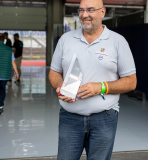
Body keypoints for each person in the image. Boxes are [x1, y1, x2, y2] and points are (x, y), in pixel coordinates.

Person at [49, 0, 137, 159]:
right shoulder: (66, 39)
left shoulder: (118, 42)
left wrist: (101, 87)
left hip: (104, 118)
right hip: (70, 118)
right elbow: (54, 72)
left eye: (90, 10)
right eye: (81, 10)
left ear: (102, 12)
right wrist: (60, 87)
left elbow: (131, 81)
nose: (84, 15)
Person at [0, 33, 19, 115]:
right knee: (2, 89)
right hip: (5, 73)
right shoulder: (9, 49)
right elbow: (13, 62)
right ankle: (0, 103)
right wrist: (16, 73)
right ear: (4, 40)